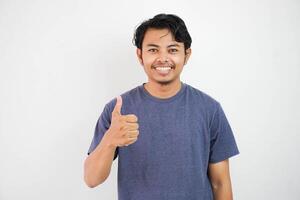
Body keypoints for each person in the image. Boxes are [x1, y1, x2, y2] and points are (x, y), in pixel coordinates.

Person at [84, 13, 239, 200]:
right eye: (153, 50)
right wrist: (110, 140)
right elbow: (91, 179)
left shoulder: (210, 110)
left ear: (186, 54)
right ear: (140, 55)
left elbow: (220, 183)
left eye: (173, 50)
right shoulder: (118, 110)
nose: (163, 58)